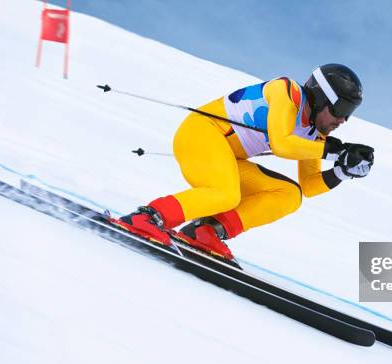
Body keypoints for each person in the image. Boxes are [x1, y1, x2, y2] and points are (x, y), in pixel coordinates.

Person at [112, 63, 374, 260]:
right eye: (340, 110)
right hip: (201, 134)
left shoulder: (315, 134)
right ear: (321, 97)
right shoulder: (287, 91)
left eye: (348, 114)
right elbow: (282, 143)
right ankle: (147, 217)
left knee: (289, 194)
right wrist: (332, 151)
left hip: (226, 156)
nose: (342, 120)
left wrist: (341, 170)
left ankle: (207, 231)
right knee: (226, 194)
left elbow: (309, 185)